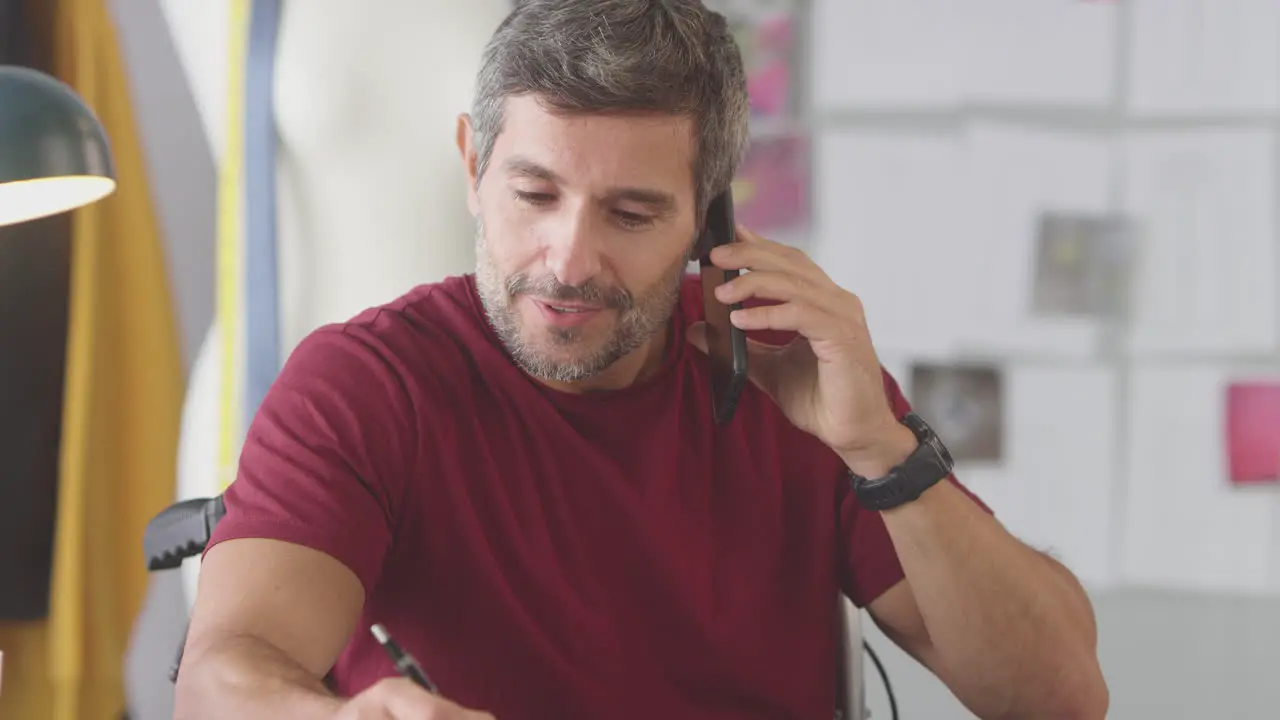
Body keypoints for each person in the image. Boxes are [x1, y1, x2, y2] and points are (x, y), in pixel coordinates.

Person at [173, 1, 1110, 718]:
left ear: (710, 218)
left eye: (631, 214)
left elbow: (1060, 695)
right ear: (471, 167)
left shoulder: (791, 374)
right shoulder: (367, 385)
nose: (569, 263)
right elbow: (223, 672)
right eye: (533, 194)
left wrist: (884, 455)